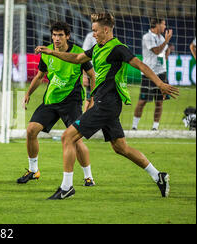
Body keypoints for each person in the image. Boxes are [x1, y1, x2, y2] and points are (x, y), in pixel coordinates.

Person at [35, 12, 179, 200]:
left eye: (95, 30)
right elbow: (77, 58)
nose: (93, 33)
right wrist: (52, 52)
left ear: (105, 30)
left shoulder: (118, 48)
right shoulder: (97, 48)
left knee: (67, 137)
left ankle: (66, 187)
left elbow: (141, 65)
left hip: (106, 104)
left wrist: (159, 84)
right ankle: (158, 175)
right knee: (120, 147)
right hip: (107, 105)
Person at [18, 21, 96, 187]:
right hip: (51, 101)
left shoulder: (78, 52)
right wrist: (28, 93)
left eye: (60, 35)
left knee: (76, 140)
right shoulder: (47, 53)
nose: (56, 38)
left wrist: (93, 97)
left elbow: (91, 75)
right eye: (54, 35)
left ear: (67, 36)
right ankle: (33, 170)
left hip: (72, 102)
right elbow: (40, 76)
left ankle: (88, 176)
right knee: (31, 130)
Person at [132, 18, 173, 131]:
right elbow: (156, 51)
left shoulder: (161, 37)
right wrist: (166, 41)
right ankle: (134, 126)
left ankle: (155, 127)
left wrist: (167, 50)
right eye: (163, 24)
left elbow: (162, 54)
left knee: (160, 101)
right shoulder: (147, 37)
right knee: (142, 100)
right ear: (157, 25)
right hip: (149, 73)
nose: (165, 27)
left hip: (161, 73)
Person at [81, 31, 96, 111]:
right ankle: (84, 122)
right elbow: (84, 57)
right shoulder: (90, 36)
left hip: (103, 75)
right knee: (89, 100)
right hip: (91, 73)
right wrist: (84, 76)